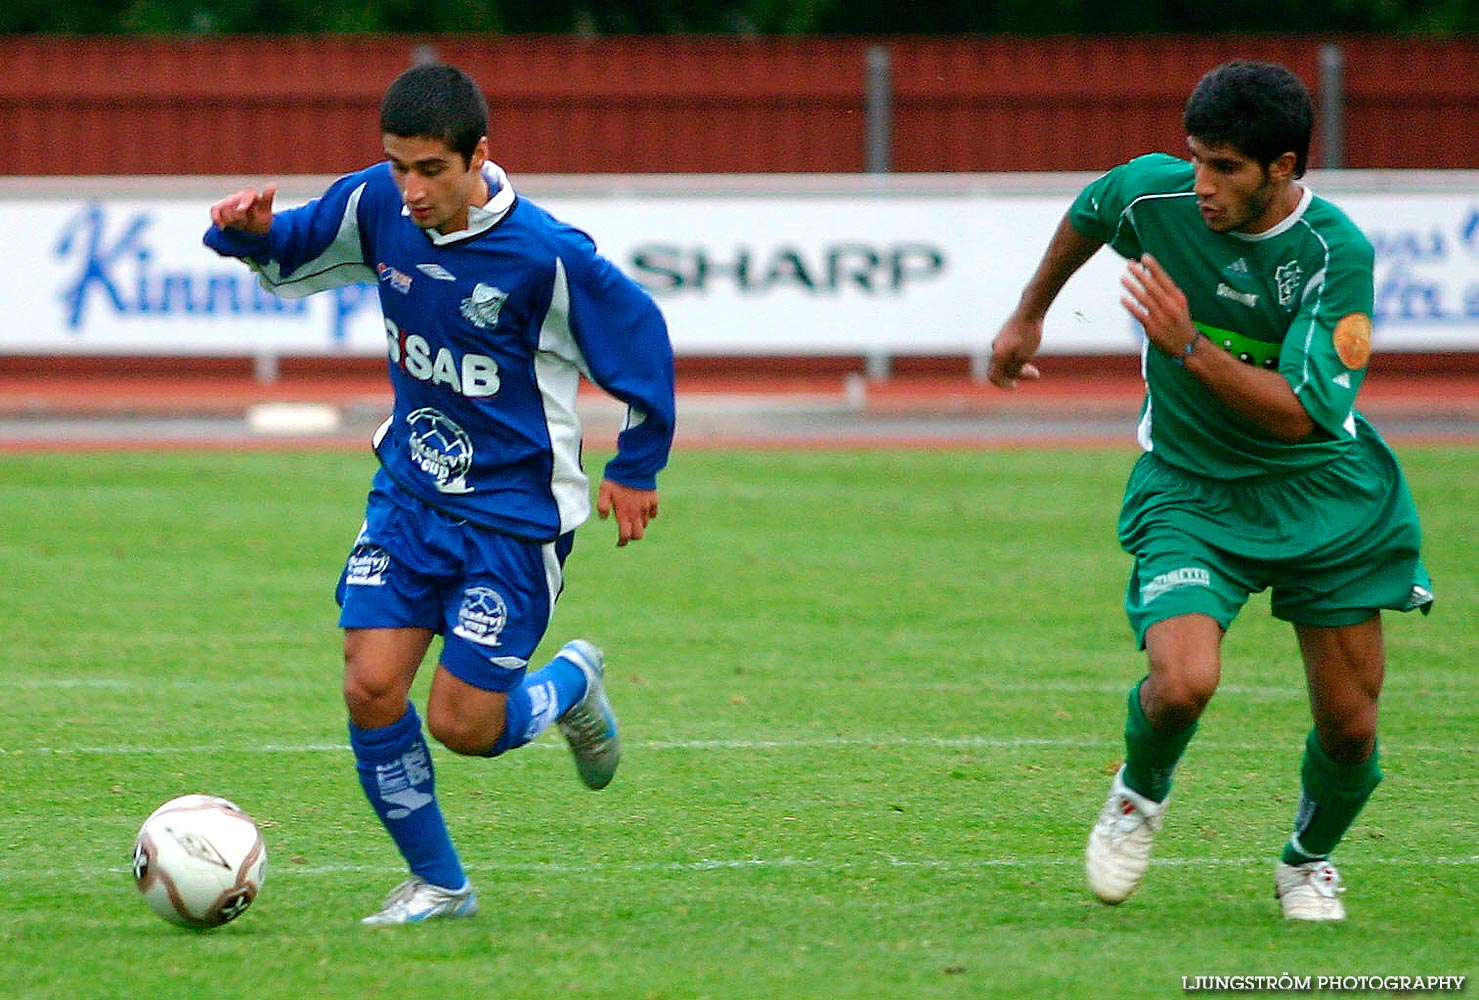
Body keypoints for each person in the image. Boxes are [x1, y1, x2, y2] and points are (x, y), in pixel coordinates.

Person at [204, 62, 676, 925]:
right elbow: (296, 250)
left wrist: (637, 466)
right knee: (370, 686)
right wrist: (250, 235)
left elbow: (639, 336)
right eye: (398, 166)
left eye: (431, 170)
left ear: (477, 157)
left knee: (464, 726)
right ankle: (441, 885)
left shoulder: (542, 256)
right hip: (410, 499)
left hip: (512, 521)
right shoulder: (378, 206)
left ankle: (568, 683)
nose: (411, 190)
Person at [988, 60, 1432, 921]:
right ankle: (1137, 794)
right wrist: (1027, 315)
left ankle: (1306, 862)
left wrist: (1189, 346)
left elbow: (1300, 418)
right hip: (1190, 489)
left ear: (1285, 166)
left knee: (1350, 729)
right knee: (1182, 682)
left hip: (1325, 500)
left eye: (1225, 168)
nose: (1201, 185)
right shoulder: (1156, 198)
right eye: (1196, 158)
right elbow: (1091, 208)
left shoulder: (1334, 256)